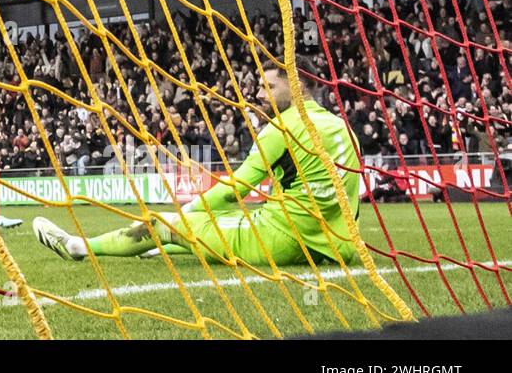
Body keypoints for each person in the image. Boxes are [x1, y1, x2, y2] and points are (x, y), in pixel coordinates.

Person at [34, 57, 362, 267]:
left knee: (163, 222)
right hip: (337, 246)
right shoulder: (341, 127)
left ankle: (78, 247)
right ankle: (160, 247)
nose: (260, 94)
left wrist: (185, 211)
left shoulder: (282, 126)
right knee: (214, 219)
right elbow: (353, 194)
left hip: (282, 240)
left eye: (269, 86)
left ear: (297, 85)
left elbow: (235, 189)